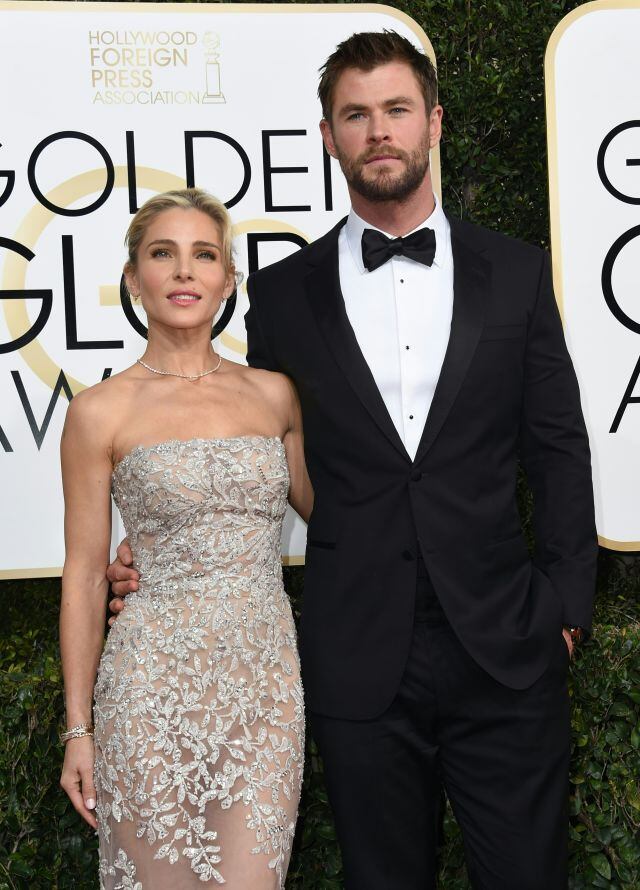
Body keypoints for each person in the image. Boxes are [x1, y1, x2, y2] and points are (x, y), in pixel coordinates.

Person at [108, 32, 597, 889]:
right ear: (328, 136)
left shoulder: (516, 274)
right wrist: (160, 547)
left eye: (397, 111)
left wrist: (564, 606)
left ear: (434, 123)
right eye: (356, 115)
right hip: (357, 654)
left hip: (506, 647)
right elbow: (250, 446)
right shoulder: (285, 295)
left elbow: (557, 448)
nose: (379, 132)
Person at [59, 188, 311, 889]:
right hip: (149, 689)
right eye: (162, 254)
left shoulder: (275, 396)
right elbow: (82, 576)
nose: (183, 272)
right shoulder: (98, 411)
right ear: (134, 280)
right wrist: (78, 730)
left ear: (228, 280)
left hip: (264, 691)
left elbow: (343, 520)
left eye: (204, 255)